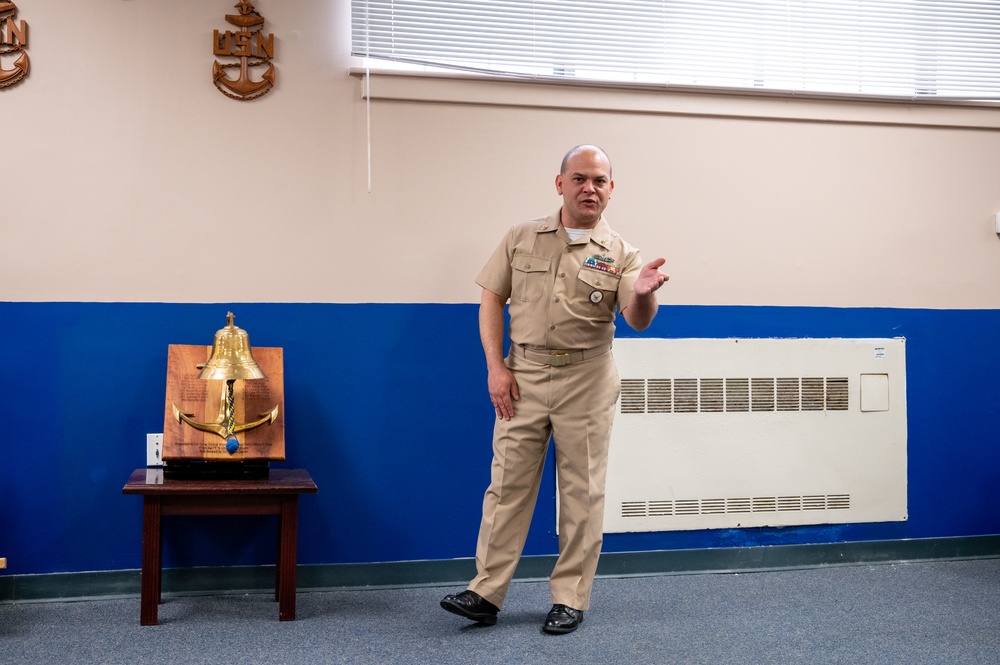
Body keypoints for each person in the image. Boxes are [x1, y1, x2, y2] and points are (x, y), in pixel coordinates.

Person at [440, 145, 669, 635]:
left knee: (582, 492)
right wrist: (495, 368)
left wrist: (646, 294)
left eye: (601, 180)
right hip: (521, 376)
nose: (591, 188)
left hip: (587, 380)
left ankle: (570, 597)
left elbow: (637, 319)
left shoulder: (623, 255)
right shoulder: (521, 238)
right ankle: (485, 591)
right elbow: (490, 299)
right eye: (581, 178)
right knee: (506, 486)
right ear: (560, 183)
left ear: (611, 190)